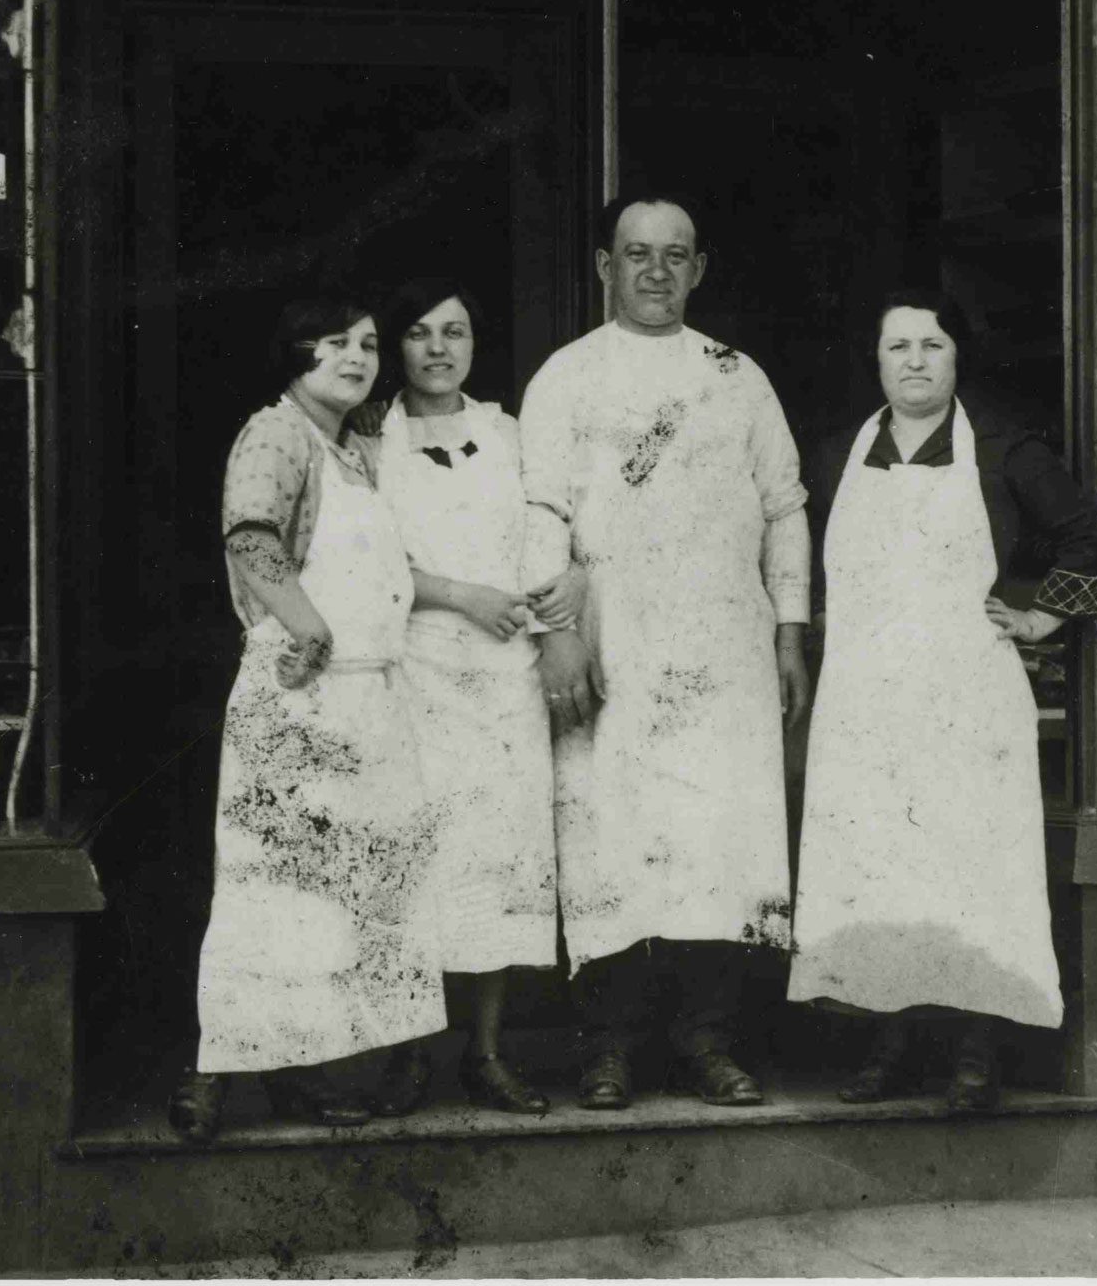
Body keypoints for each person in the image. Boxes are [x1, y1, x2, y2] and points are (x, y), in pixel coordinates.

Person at [789, 288, 1097, 1110]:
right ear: (876, 360)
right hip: (867, 701)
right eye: (897, 346)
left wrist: (1040, 613)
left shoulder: (1005, 450)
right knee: (883, 869)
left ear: (957, 356)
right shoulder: (837, 455)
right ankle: (889, 1043)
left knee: (971, 870)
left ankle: (977, 1052)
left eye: (931, 345)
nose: (914, 361)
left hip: (967, 698)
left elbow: (1092, 535)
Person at [518, 194, 813, 1110]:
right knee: (612, 837)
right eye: (636, 254)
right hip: (615, 655)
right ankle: (609, 1045)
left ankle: (708, 1040)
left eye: (674, 255)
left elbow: (785, 507)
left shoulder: (738, 377)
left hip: (724, 653)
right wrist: (556, 635)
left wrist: (791, 632)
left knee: (719, 841)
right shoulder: (565, 378)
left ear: (699, 268)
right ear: (603, 266)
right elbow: (540, 512)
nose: (655, 271)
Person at [168, 297, 446, 1144]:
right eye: (336, 343)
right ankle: (211, 1077)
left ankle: (318, 1073)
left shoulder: (353, 451)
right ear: (294, 353)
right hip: (297, 694)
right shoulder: (276, 433)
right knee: (269, 894)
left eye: (367, 344)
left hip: (366, 701)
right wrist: (307, 623)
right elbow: (252, 537)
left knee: (349, 899)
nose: (358, 357)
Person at [369, 277, 583, 1115]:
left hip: (503, 681)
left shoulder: (507, 431)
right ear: (395, 346)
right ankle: (410, 1057)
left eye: (454, 331)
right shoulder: (367, 440)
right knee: (420, 864)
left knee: (496, 862)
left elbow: (550, 523)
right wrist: (463, 594)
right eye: (418, 332)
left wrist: (561, 587)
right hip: (415, 672)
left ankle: (485, 1052)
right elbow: (368, 561)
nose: (437, 348)